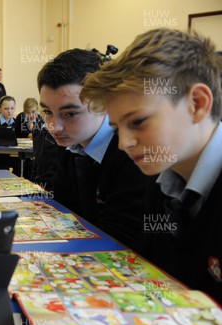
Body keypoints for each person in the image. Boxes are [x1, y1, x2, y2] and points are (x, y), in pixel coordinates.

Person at [80, 28, 222, 303]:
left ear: (197, 103)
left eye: (138, 122)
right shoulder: (162, 184)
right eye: (116, 128)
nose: (123, 143)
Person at [37, 48, 152, 248]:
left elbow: (116, 239)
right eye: (47, 111)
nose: (54, 126)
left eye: (70, 114)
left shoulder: (131, 153)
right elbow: (63, 212)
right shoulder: (70, 145)